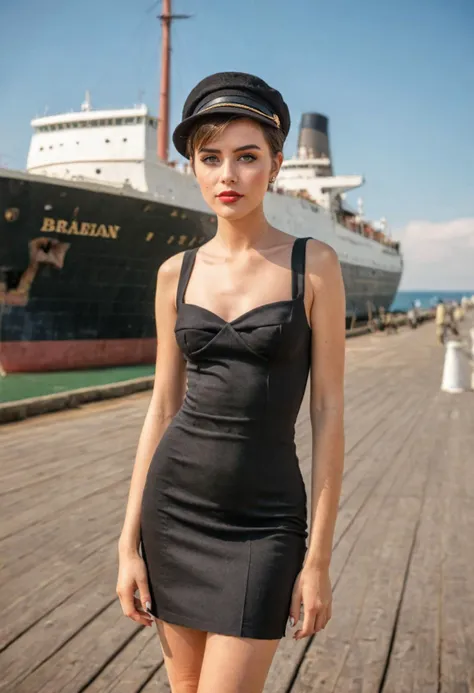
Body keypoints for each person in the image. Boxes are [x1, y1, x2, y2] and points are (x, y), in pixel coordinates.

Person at [116, 72, 346, 693]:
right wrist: (127, 542)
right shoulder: (175, 274)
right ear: (192, 165)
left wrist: (318, 559)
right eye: (210, 158)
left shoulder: (313, 265)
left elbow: (328, 412)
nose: (228, 175)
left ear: (275, 165)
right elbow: (162, 406)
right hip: (174, 513)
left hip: (265, 524)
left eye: (247, 157)